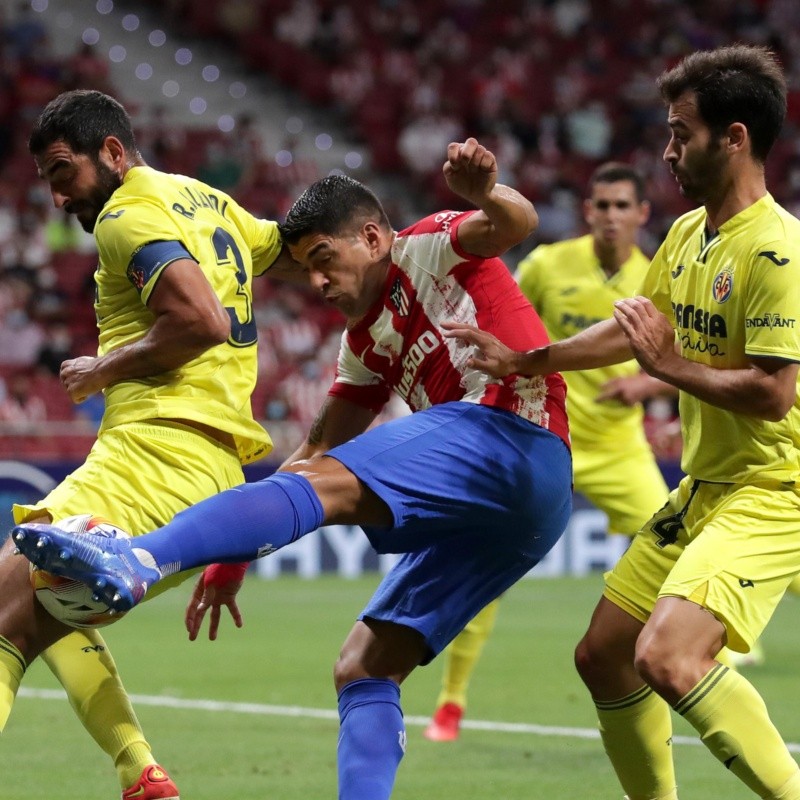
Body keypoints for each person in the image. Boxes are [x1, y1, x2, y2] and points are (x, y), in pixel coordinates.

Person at [14, 137, 574, 800]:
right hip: (521, 516)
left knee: (321, 487)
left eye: (324, 260)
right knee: (362, 667)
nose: (316, 282)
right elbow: (312, 447)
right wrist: (234, 557)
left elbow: (515, 222)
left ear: (371, 237)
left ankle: (136, 559)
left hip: (513, 433)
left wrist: (482, 191)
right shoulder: (363, 345)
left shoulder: (427, 243)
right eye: (305, 267)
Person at [439, 45, 800, 799]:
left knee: (668, 658)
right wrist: (527, 359)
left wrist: (668, 370)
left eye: (681, 133)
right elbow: (631, 330)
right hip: (706, 487)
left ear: (733, 138)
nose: (667, 152)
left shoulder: (776, 249)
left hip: (774, 488)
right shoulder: (687, 235)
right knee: (603, 654)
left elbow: (774, 393)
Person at [4, 89, 294, 799]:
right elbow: (285, 243)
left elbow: (201, 320)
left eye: (63, 170)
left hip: (157, 449)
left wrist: (101, 367)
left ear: (112, 152)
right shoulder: (212, 204)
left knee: (8, 605)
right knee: (42, 596)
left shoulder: (125, 214)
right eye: (46, 178)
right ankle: (140, 772)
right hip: (214, 472)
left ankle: (138, 769)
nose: (56, 192)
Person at [424, 162, 672, 742]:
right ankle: (451, 703)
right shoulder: (547, 265)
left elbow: (693, 350)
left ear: (641, 214)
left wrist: (647, 383)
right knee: (483, 568)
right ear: (587, 211)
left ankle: (692, 674)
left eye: (622, 206)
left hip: (618, 448)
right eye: (601, 205)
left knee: (679, 561)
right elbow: (501, 318)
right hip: (540, 438)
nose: (610, 216)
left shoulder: (656, 276)